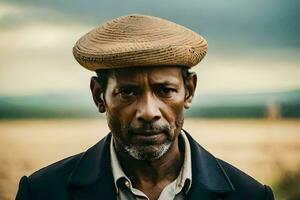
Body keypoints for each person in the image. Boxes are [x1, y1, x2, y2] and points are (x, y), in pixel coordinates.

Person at [16, 14, 274, 200]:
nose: (149, 111)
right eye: (127, 92)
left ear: (189, 91)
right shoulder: (42, 192)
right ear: (99, 96)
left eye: (165, 91)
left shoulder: (249, 194)